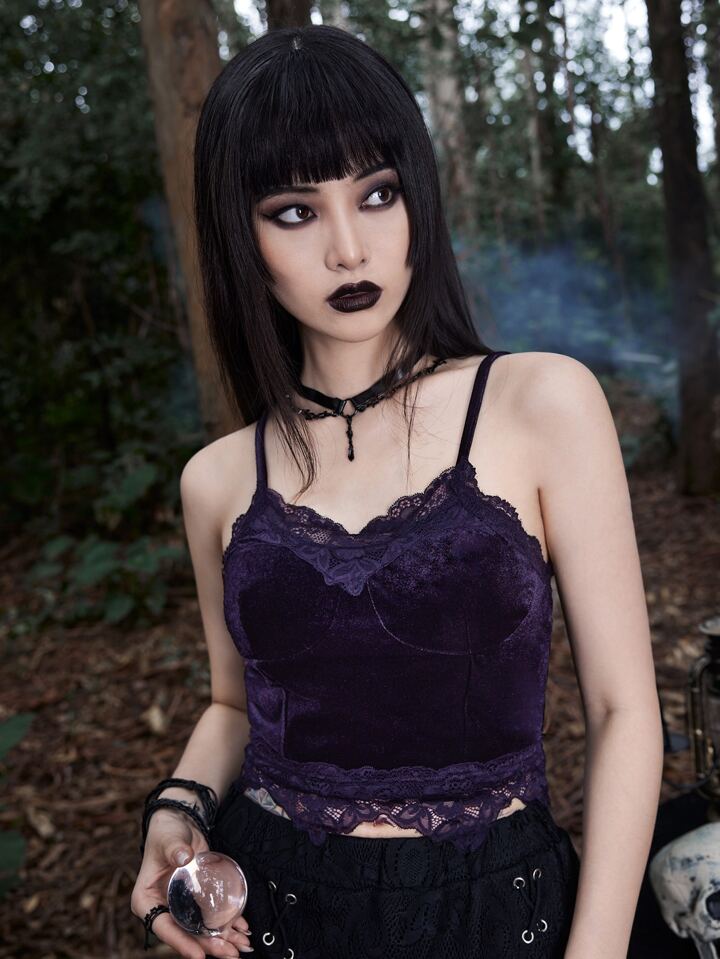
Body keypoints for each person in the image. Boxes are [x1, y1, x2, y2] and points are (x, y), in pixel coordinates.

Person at [130, 23, 664, 959]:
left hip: (495, 910)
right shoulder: (216, 477)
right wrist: (174, 808)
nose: (349, 248)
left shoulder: (541, 402)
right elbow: (232, 704)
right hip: (274, 911)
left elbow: (624, 711)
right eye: (295, 211)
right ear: (239, 233)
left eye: (377, 194)